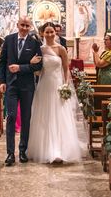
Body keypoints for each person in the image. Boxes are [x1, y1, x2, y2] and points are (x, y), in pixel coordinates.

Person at [26, 22, 87, 163]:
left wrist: (66, 85)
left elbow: (66, 68)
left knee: (59, 115)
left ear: (55, 33)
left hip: (58, 85)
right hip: (44, 85)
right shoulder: (39, 49)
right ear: (42, 33)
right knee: (45, 116)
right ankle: (46, 149)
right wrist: (31, 63)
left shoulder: (61, 49)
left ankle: (60, 149)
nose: (49, 34)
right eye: (46, 32)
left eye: (51, 32)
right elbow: (37, 71)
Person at [0, 16, 43, 166]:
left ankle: (22, 150)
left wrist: (21, 68)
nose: (24, 28)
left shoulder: (34, 42)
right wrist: (2, 81)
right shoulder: (9, 39)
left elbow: (38, 66)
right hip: (11, 84)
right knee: (11, 117)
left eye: (27, 26)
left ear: (30, 27)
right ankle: (10, 153)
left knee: (25, 118)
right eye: (22, 25)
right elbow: (3, 61)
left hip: (27, 85)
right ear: (17, 25)